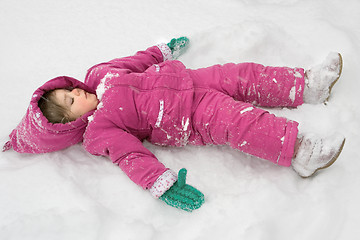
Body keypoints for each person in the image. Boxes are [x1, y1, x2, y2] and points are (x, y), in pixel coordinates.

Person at [3, 37, 345, 212]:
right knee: (239, 122)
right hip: (189, 117)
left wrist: (161, 51)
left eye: (69, 89)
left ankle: (305, 84)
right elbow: (130, 157)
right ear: (71, 123)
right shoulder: (99, 131)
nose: (76, 91)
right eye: (71, 101)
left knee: (244, 74)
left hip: (192, 78)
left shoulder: (99, 73)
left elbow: (133, 61)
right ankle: (300, 152)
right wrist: (162, 184)